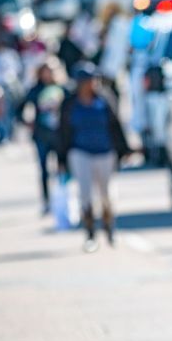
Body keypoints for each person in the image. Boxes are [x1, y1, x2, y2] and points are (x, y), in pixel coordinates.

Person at [58, 63, 131, 251]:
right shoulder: (70, 104)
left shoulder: (105, 100)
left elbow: (117, 125)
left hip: (105, 151)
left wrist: (124, 150)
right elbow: (63, 132)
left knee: (106, 195)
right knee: (85, 195)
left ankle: (109, 227)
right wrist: (61, 158)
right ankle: (89, 233)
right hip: (80, 151)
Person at [17, 58, 67, 215]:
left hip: (59, 135)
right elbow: (20, 108)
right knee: (43, 169)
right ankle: (46, 201)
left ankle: (63, 198)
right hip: (42, 135)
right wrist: (28, 122)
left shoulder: (63, 89)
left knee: (62, 167)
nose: (49, 74)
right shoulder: (36, 90)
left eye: (51, 71)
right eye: (46, 71)